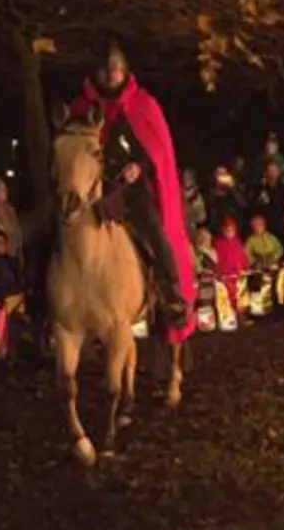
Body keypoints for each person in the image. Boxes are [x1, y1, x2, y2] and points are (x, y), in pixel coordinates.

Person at [72, 45, 195, 332]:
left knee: (153, 224)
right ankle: (46, 303)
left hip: (132, 188)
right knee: (60, 225)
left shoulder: (141, 105)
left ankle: (171, 290)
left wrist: (139, 165)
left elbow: (157, 149)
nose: (111, 77)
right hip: (94, 186)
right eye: (106, 72)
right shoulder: (84, 108)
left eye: (115, 71)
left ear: (123, 72)